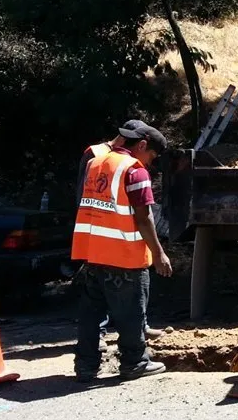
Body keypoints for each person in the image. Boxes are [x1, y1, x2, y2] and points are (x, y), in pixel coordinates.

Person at [71, 122, 173, 382]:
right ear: (141, 146)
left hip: (94, 253)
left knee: (91, 315)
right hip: (124, 257)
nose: (150, 162)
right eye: (151, 155)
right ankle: (134, 362)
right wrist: (159, 253)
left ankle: (85, 366)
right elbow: (144, 218)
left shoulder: (96, 163)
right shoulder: (135, 172)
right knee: (131, 313)